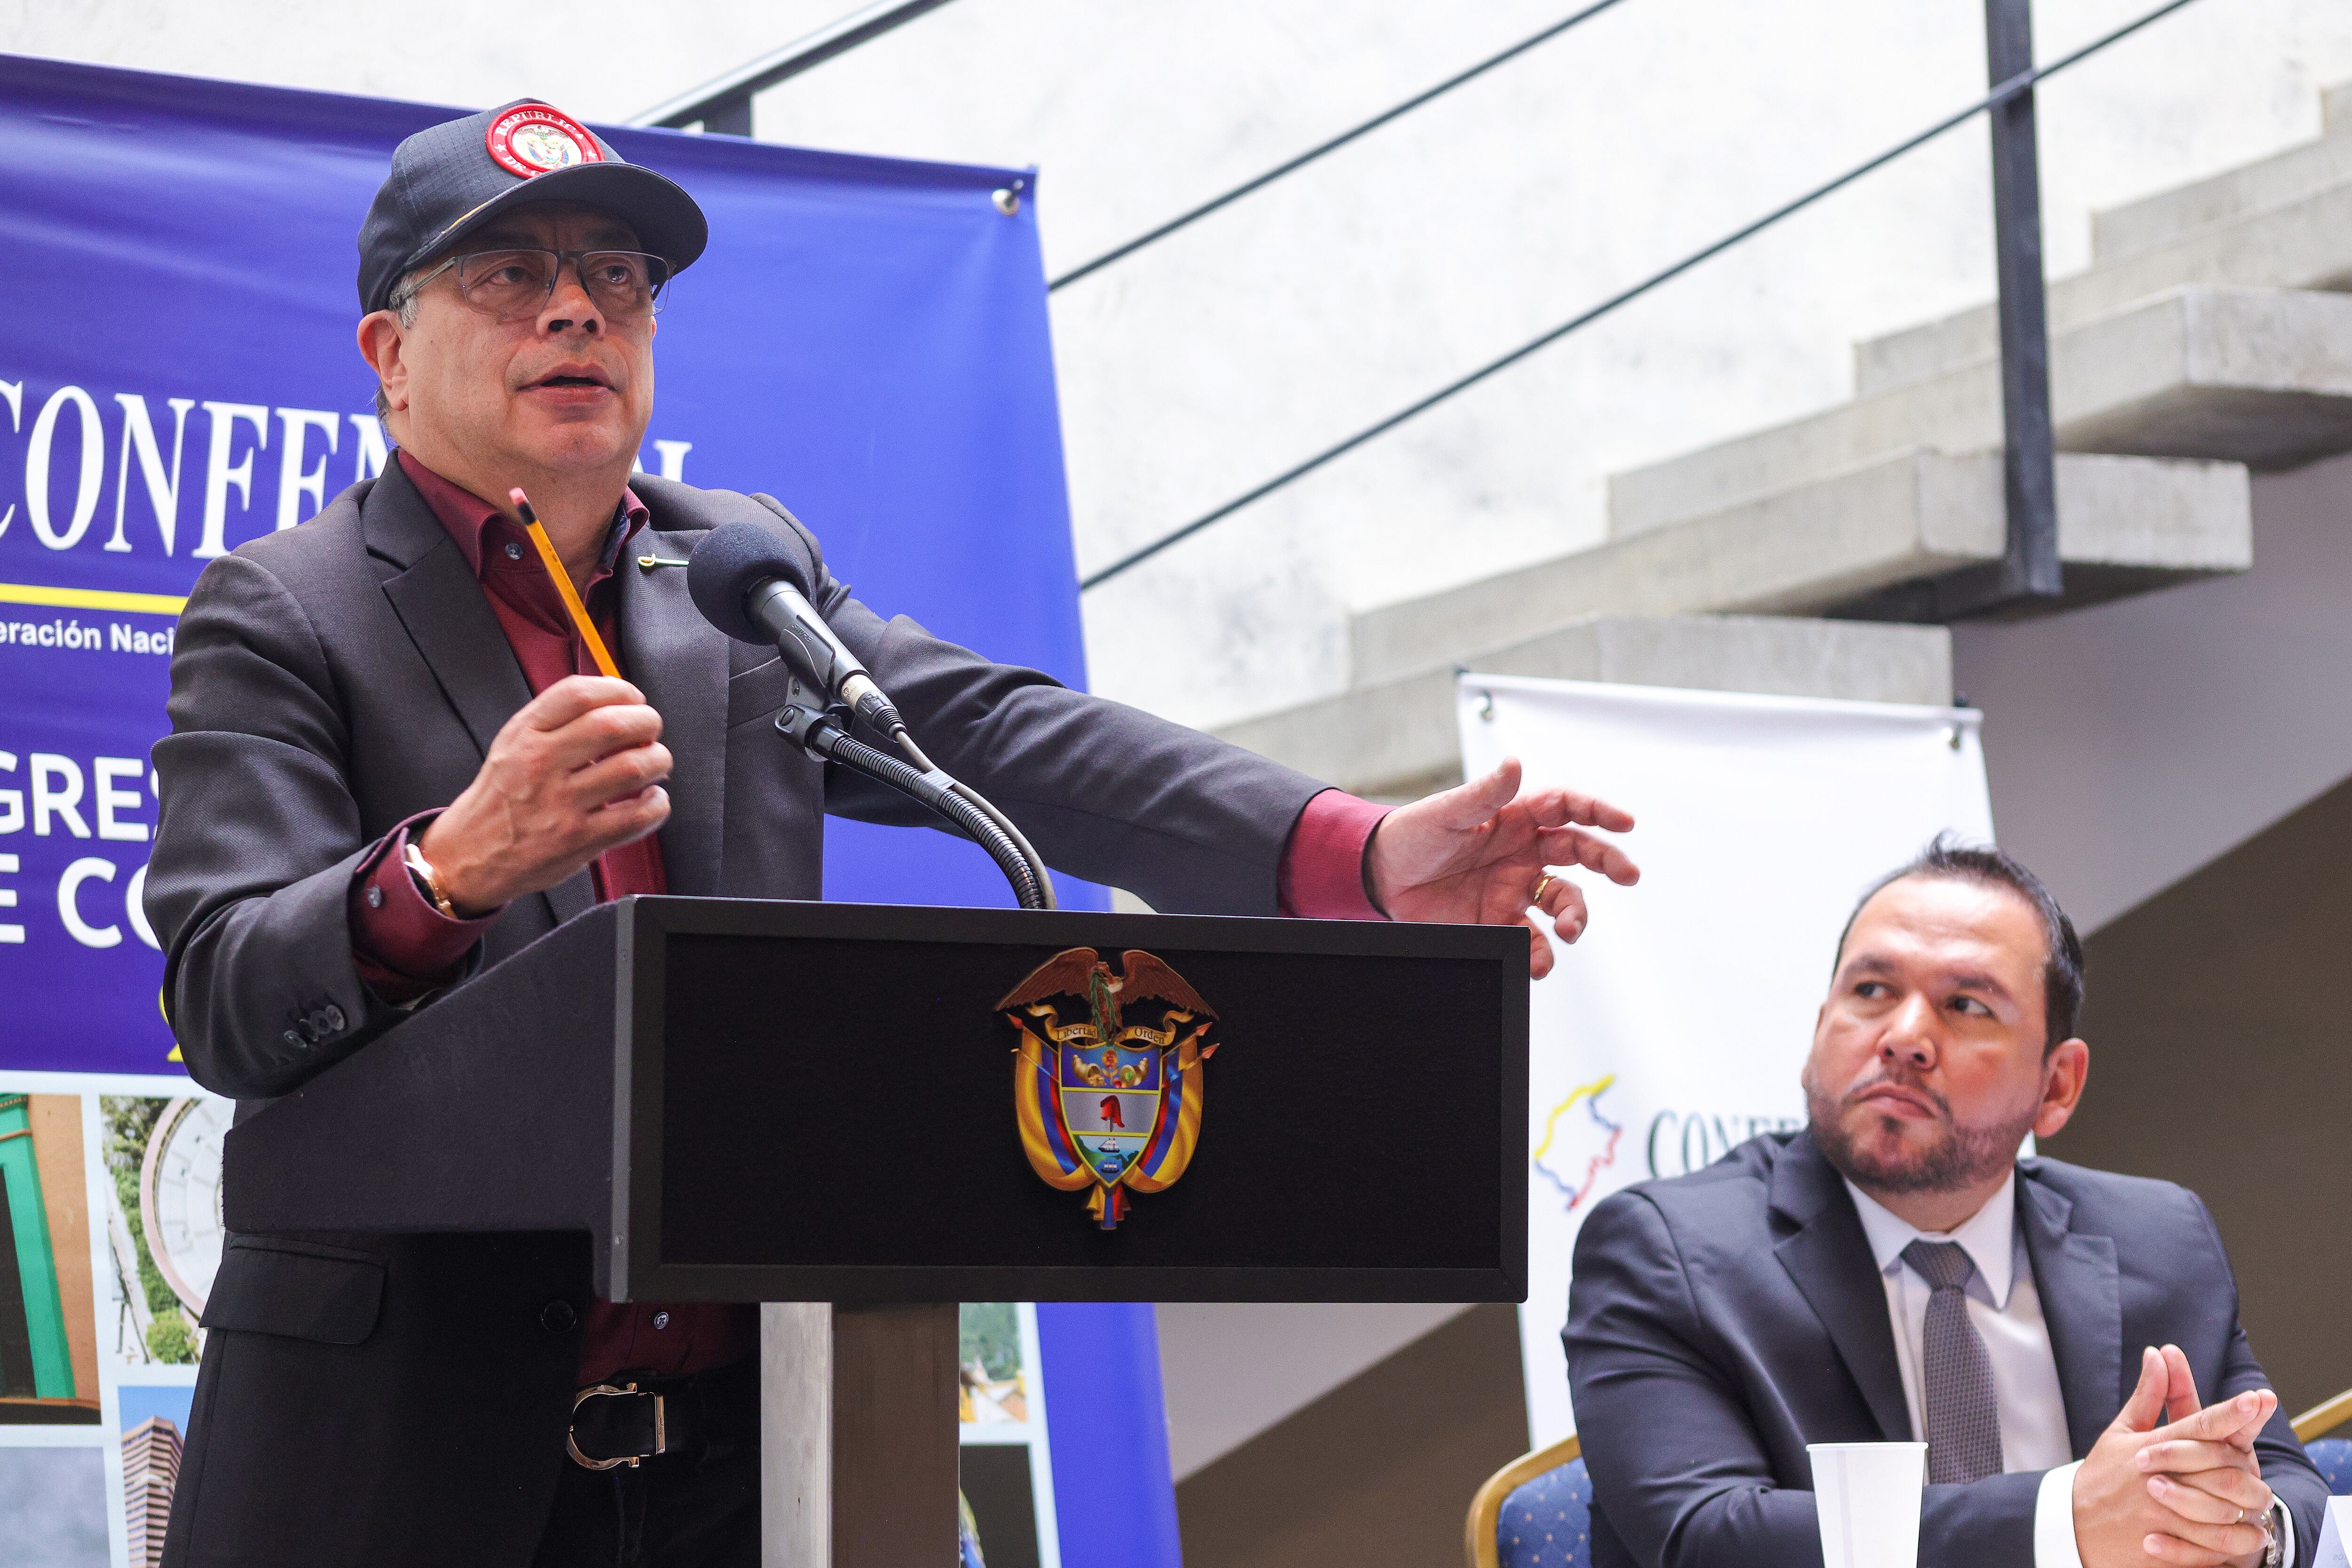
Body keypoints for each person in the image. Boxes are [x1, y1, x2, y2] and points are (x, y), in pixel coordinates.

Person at [144, 101, 1641, 1568]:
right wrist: (449, 867)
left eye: (617, 279)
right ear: (390, 357)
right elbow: (227, 995)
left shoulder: (736, 577)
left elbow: (998, 732)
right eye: (512, 276)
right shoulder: (287, 609)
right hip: (412, 1466)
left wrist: (1360, 852)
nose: (578, 314)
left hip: (751, 1466)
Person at [1564, 837, 2324, 1568]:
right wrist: (2063, 1524)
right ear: (1816, 1032)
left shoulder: (2157, 1239)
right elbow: (1706, 1541)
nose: (1904, 1036)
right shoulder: (1667, 1252)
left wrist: (2243, 1535)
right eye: (1871, 991)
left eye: (1966, 1004)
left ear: (2057, 1085)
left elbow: (2284, 1485)